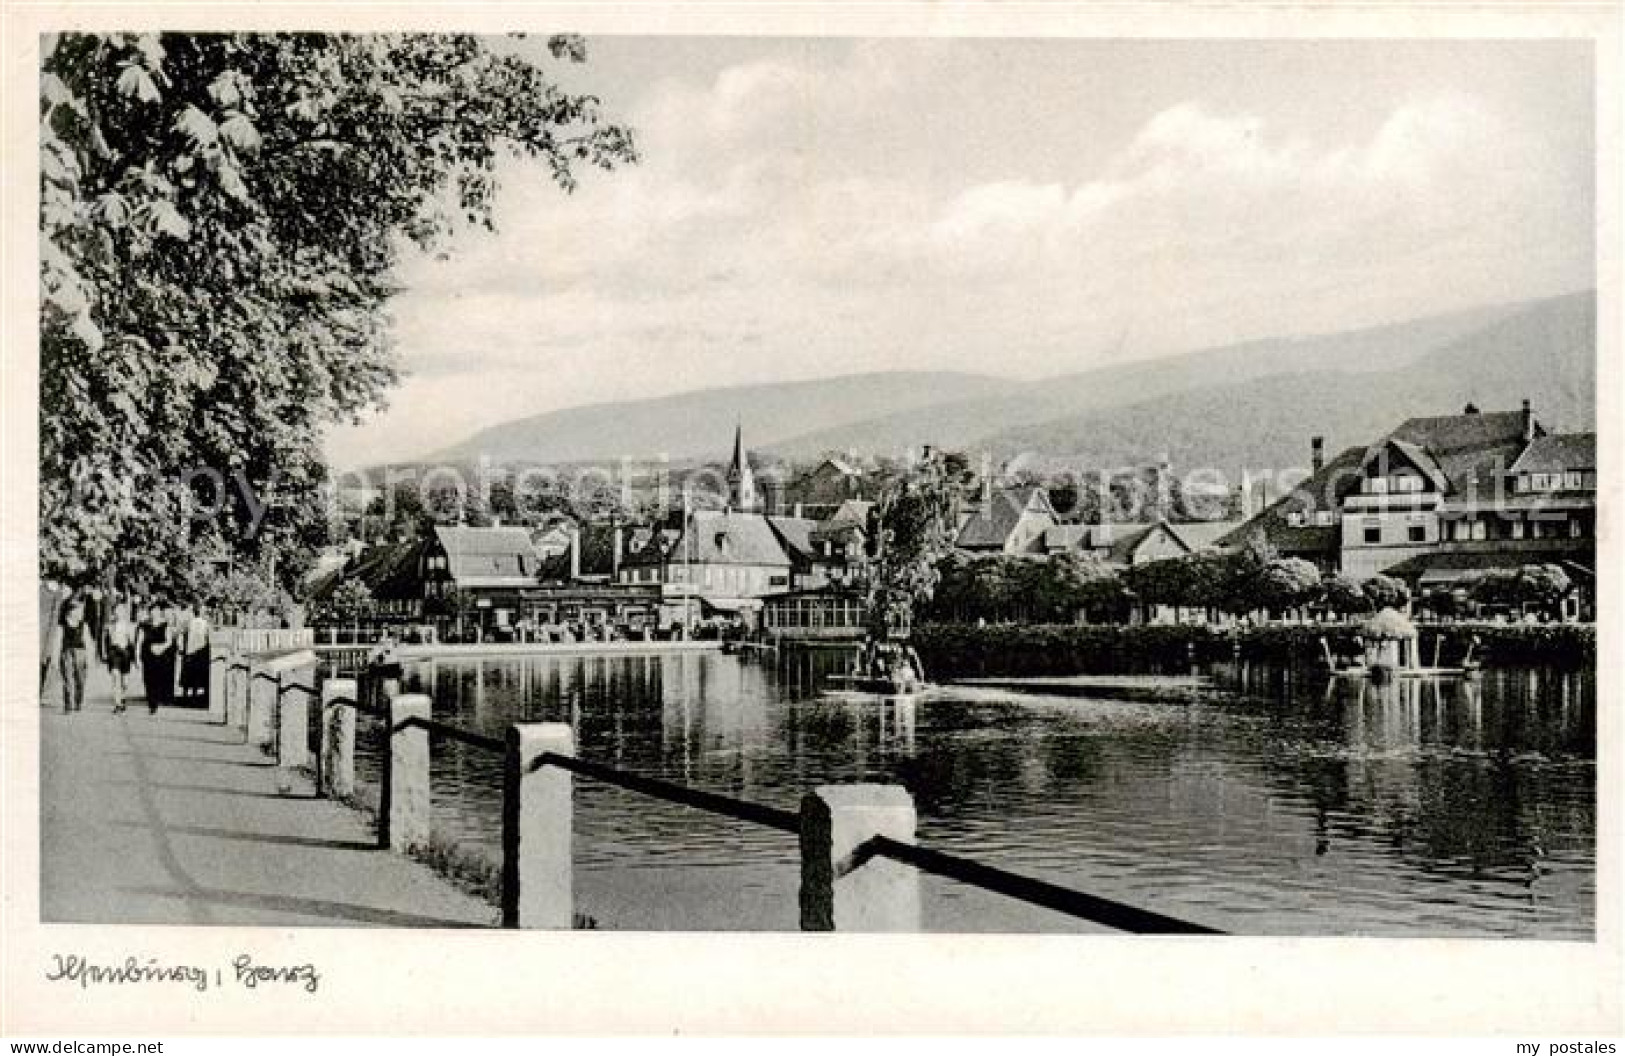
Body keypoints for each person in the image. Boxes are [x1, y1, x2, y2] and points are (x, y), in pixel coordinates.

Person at [138, 601, 176, 714]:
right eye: (152, 611)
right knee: (147, 680)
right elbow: (139, 641)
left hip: (160, 656)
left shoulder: (165, 625)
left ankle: (156, 701)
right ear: (150, 613)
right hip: (147, 656)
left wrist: (160, 647)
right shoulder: (144, 625)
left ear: (160, 612)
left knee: (157, 679)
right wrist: (136, 656)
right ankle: (151, 703)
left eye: (157, 611)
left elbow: (169, 642)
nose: (154, 613)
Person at [57, 594, 91, 713]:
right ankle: (68, 705)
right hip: (66, 652)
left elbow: (88, 642)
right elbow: (57, 640)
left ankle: (78, 702)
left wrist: (90, 658)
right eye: (77, 610)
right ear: (70, 611)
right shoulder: (62, 625)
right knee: (67, 679)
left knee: (80, 679)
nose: (80, 613)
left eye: (80, 610)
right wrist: (56, 657)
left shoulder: (84, 625)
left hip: (81, 652)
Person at [103, 598, 137, 714]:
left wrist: (135, 658)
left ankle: (123, 698)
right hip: (114, 652)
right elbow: (105, 640)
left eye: (121, 611)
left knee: (124, 682)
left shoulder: (128, 626)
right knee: (115, 676)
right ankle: (117, 704)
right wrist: (104, 652)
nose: (118, 613)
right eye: (117, 610)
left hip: (125, 653)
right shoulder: (109, 625)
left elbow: (132, 642)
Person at [179, 603, 211, 705]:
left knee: (189, 674)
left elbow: (183, 635)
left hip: (190, 651)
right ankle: (193, 696)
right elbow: (208, 637)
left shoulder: (189, 622)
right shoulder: (205, 623)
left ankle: (186, 696)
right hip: (198, 651)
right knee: (196, 674)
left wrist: (182, 648)